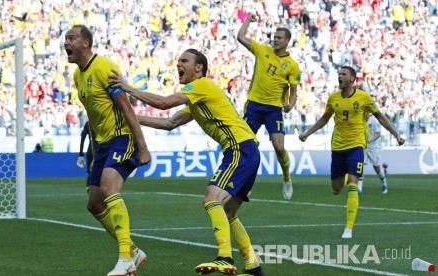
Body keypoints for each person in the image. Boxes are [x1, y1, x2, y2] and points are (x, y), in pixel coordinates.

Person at [109, 48, 264, 276]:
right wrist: (130, 119)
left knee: (212, 199)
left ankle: (224, 257)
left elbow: (163, 103)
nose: (178, 64)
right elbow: (169, 123)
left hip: (239, 149)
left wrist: (127, 87)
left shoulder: (201, 85)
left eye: (184, 61)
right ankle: (253, 267)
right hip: (247, 149)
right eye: (178, 60)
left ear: (198, 68)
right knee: (228, 212)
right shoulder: (198, 98)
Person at [64, 24, 151, 276]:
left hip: (122, 137)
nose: (66, 43)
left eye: (71, 38)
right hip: (102, 144)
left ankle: (125, 258)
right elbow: (92, 118)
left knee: (109, 186)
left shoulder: (105, 68)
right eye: (65, 38)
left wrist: (142, 145)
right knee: (94, 203)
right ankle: (133, 250)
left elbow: (126, 108)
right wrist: (94, 155)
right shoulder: (78, 76)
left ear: (85, 43)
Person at [298, 66, 405, 239]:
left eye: (343, 74)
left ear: (352, 80)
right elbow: (324, 118)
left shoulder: (364, 98)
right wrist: (307, 133)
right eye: (339, 74)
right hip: (338, 146)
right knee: (336, 188)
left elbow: (381, 117)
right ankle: (347, 175)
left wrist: (397, 135)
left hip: (357, 145)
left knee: (354, 184)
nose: (339, 76)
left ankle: (348, 228)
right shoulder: (333, 98)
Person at [237, 14, 301, 201]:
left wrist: (291, 103)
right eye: (274, 36)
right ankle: (246, 184)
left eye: (279, 37)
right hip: (254, 106)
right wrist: (248, 20)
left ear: (287, 41)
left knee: (279, 148)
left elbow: (294, 91)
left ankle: (287, 178)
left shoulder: (292, 66)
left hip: (274, 109)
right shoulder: (262, 50)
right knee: (246, 145)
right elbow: (240, 37)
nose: (275, 39)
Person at [358, 114, 388, 195]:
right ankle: (359, 188)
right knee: (361, 166)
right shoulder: (361, 119)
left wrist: (370, 141)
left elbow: (378, 134)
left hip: (373, 148)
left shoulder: (374, 120)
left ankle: (384, 183)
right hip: (363, 147)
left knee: (377, 168)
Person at [77, 121, 93, 188]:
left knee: (90, 174)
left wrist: (81, 155)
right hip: (100, 150)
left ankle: (89, 195)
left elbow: (82, 139)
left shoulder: (88, 123)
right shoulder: (101, 121)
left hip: (90, 151)